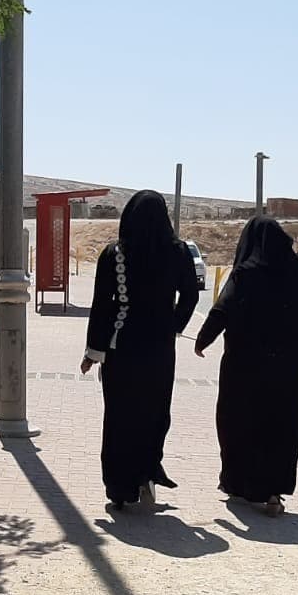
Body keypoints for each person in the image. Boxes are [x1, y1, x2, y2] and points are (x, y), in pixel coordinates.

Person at [193, 216, 298, 516]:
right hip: (288, 372)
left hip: (244, 368)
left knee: (238, 424)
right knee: (281, 429)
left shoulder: (247, 273)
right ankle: (273, 491)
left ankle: (239, 484)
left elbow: (223, 308)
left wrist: (202, 340)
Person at [80, 191, 202, 509]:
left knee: (120, 417)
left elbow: (102, 307)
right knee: (153, 414)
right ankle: (146, 473)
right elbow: (190, 296)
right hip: (159, 351)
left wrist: (93, 351)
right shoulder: (178, 252)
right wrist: (173, 326)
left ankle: (119, 489)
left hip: (121, 349)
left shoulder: (114, 254)